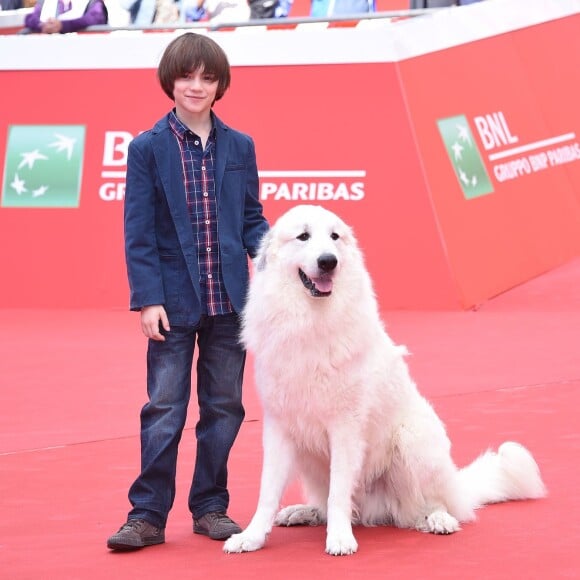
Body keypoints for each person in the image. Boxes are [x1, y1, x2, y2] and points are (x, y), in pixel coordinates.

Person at [107, 32, 269, 551]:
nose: (196, 86)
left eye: (207, 77)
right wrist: (147, 299)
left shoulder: (240, 146)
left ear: (220, 84)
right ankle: (146, 515)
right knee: (164, 408)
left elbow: (251, 221)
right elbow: (139, 232)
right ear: (169, 81)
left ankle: (211, 507)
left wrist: (279, 267)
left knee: (225, 408)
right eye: (186, 75)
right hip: (171, 304)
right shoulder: (147, 148)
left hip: (232, 303)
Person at [23, 0, 108, 34]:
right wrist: (42, 25)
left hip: (81, 55)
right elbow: (30, 18)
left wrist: (62, 26)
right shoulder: (46, 1)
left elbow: (95, 18)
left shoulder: (92, 1)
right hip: (49, 56)